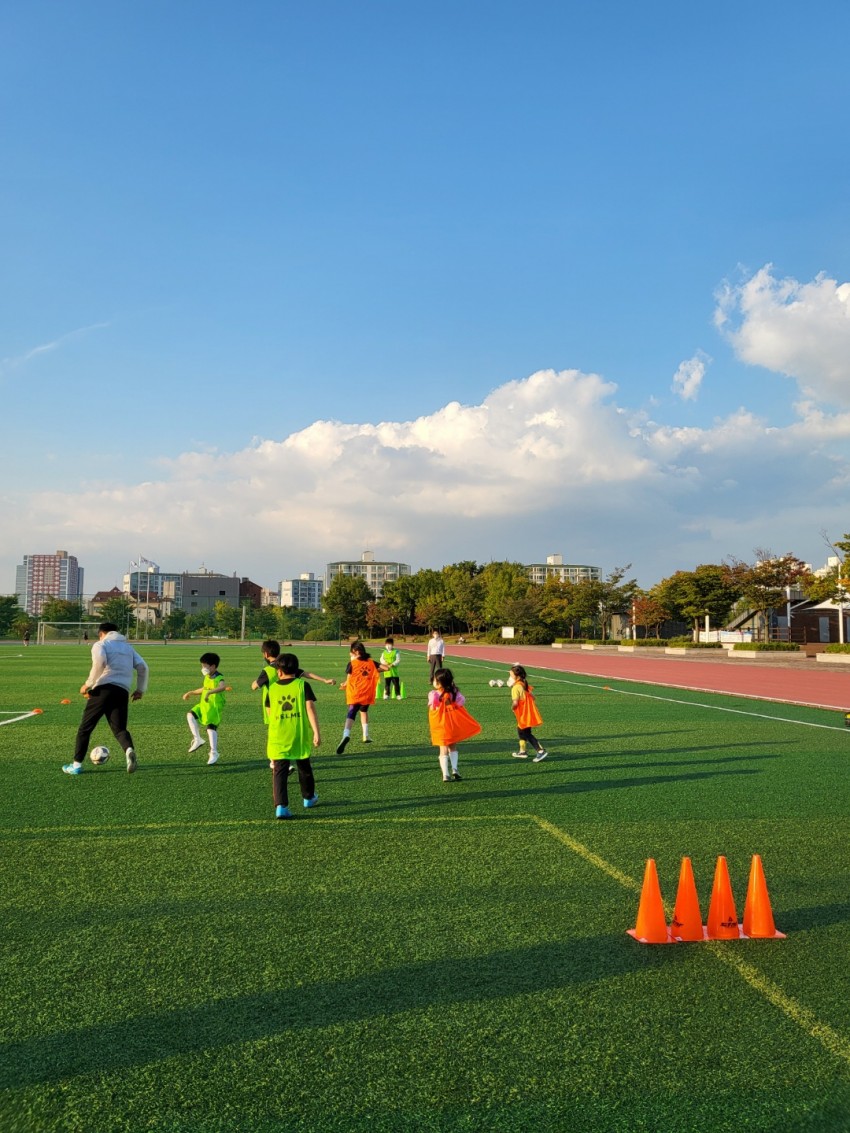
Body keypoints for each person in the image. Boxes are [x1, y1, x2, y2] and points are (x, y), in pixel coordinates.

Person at [62, 621, 148, 775]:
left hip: (103, 689)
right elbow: (143, 667)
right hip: (122, 691)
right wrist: (140, 690)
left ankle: (76, 765)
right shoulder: (128, 647)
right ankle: (129, 750)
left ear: (101, 633)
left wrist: (88, 684)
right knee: (120, 729)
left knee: (85, 728)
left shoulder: (101, 644)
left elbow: (100, 662)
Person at [266, 653, 321, 819]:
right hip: (298, 733)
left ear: (280, 671)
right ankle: (308, 798)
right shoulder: (302, 686)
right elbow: (310, 709)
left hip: (278, 734)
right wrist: (317, 732)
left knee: (279, 771)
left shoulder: (273, 688)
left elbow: (269, 711)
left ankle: (281, 807)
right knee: (304, 766)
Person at [428, 667, 480, 782]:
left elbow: (432, 707)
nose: (433, 682)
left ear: (439, 683)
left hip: (441, 726)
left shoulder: (434, 694)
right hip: (452, 724)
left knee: (443, 749)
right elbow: (462, 702)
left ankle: (445, 774)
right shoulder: (454, 693)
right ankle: (455, 769)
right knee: (453, 746)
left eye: (435, 680)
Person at [336, 642, 388, 754]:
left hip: (355, 693)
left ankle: (346, 735)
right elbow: (386, 668)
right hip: (367, 693)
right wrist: (374, 670)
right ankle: (366, 735)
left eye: (351, 652)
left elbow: (349, 678)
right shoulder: (371, 662)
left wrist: (344, 684)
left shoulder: (352, 663)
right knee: (363, 711)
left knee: (351, 713)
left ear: (356, 652)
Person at [182, 652, 226, 765]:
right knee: (190, 715)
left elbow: (222, 687)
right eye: (202, 666)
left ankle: (214, 752)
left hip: (213, 707)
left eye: (205, 666)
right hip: (203, 705)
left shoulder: (219, 677)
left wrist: (210, 693)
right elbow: (204, 688)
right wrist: (191, 692)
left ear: (213, 666)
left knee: (210, 728)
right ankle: (197, 739)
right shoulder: (207, 677)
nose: (203, 668)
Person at [507, 664, 548, 762]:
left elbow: (515, 703)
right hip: (527, 713)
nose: (510, 676)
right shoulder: (523, 683)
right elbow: (533, 697)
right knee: (521, 731)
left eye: (511, 675)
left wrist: (512, 708)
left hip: (523, 714)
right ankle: (522, 751)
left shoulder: (515, 688)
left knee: (526, 733)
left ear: (516, 676)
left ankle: (540, 751)